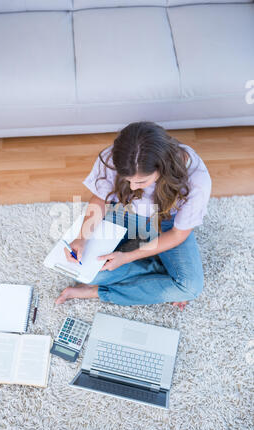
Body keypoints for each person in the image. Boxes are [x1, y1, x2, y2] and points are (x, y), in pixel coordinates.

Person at [55, 121, 212, 310]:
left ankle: (97, 291)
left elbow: (179, 234)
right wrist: (81, 238)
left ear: (163, 168)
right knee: (87, 272)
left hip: (167, 224)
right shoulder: (116, 157)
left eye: (141, 181)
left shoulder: (197, 181)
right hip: (125, 213)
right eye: (127, 180)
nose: (131, 187)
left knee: (189, 287)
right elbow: (101, 200)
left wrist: (128, 257)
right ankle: (158, 268)